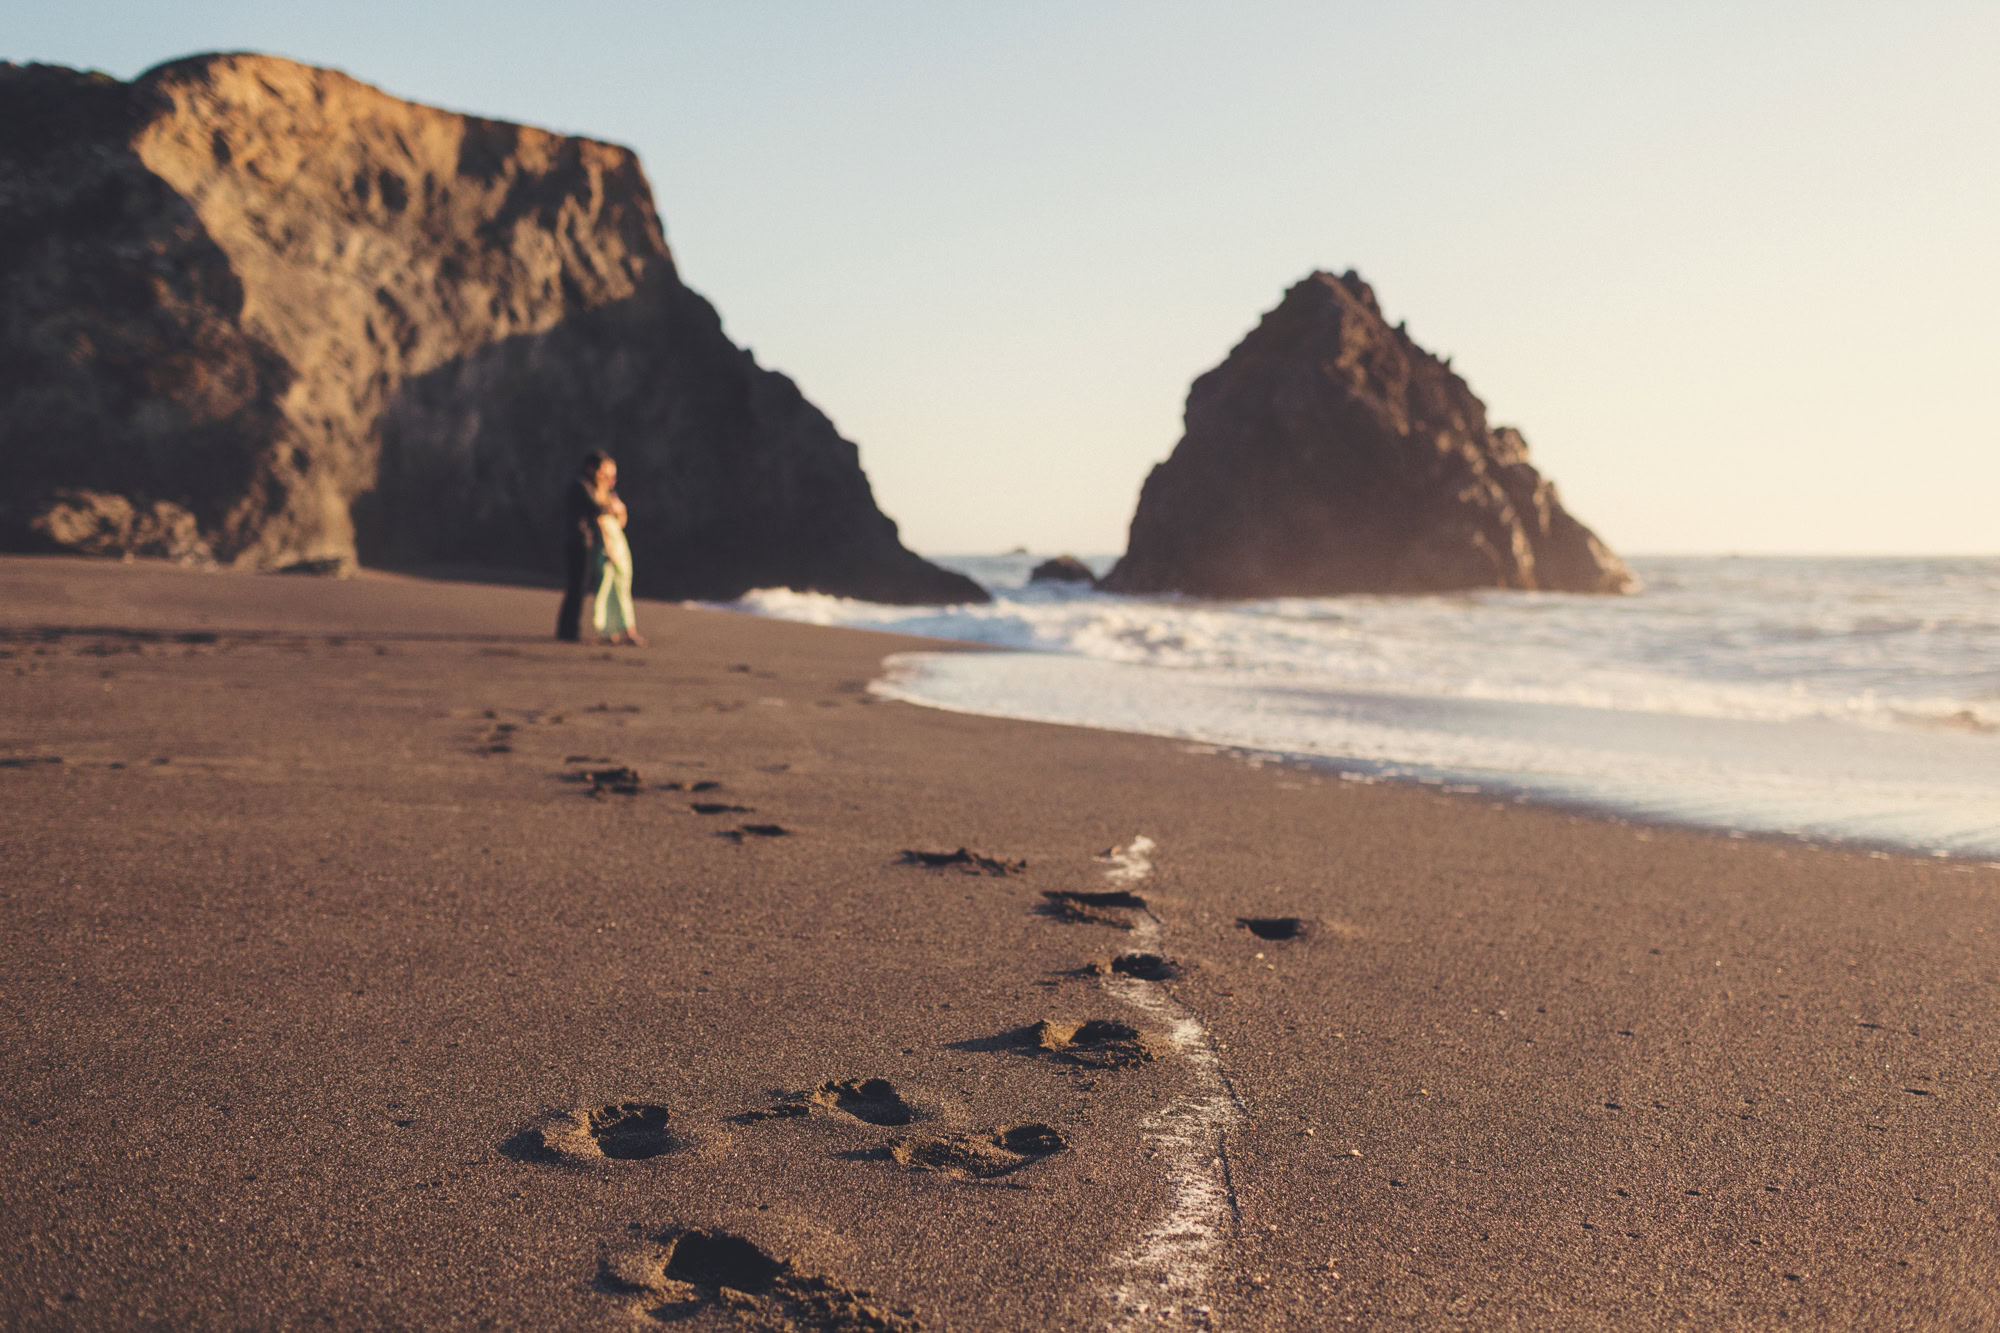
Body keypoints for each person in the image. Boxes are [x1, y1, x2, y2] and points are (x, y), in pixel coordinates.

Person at [555, 451, 613, 642]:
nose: (601, 474)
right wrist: (608, 505)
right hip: (579, 541)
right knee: (578, 587)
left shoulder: (578, 483)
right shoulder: (581, 485)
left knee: (575, 587)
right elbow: (595, 507)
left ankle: (566, 629)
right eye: (600, 469)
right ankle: (570, 631)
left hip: (575, 539)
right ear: (592, 467)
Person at [590, 458, 643, 645]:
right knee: (607, 587)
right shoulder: (596, 495)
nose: (612, 479)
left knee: (622, 587)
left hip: (617, 542)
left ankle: (623, 629)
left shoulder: (610, 495)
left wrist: (620, 512)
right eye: (608, 474)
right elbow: (600, 524)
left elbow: (621, 522)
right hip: (608, 546)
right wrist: (608, 548)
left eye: (614, 475)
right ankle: (609, 630)